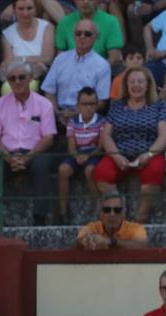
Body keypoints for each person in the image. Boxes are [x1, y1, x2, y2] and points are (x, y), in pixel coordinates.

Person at [0, 61, 56, 226]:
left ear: (30, 79)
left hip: (35, 152)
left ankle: (40, 218)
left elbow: (48, 138)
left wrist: (27, 158)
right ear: (7, 81)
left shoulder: (44, 104)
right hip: (8, 154)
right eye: (12, 78)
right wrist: (10, 158)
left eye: (21, 77)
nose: (17, 82)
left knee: (41, 166)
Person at [95, 65, 166, 223]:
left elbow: (164, 135)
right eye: (132, 82)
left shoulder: (159, 105)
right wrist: (116, 157)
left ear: (148, 84)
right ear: (126, 85)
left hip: (149, 153)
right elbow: (106, 136)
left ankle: (139, 218)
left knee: (155, 171)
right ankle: (118, 216)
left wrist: (149, 154)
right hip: (119, 153)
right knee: (102, 173)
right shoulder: (116, 105)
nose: (136, 85)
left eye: (140, 81)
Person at [41, 18, 111, 125]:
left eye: (87, 34)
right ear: (74, 36)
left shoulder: (102, 65)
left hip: (85, 117)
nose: (82, 37)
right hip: (58, 115)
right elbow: (49, 90)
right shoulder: (60, 59)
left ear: (95, 37)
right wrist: (55, 113)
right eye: (78, 33)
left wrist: (77, 114)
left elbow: (101, 101)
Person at [56, 86, 103, 225]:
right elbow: (71, 146)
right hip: (77, 153)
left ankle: (98, 208)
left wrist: (88, 157)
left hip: (94, 153)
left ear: (96, 105)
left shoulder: (102, 121)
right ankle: (62, 212)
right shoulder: (72, 122)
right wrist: (77, 156)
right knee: (63, 170)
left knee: (90, 171)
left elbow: (101, 146)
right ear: (78, 105)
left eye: (92, 104)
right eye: (84, 104)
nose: (88, 108)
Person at [54, 0, 123, 68]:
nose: (86, 1)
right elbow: (60, 58)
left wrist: (92, 71)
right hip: (71, 71)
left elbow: (115, 59)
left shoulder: (111, 22)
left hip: (100, 72)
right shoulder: (64, 22)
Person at [73, 189, 148, 249]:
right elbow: (74, 246)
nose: (112, 214)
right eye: (107, 210)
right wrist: (85, 241)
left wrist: (110, 241)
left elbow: (143, 245)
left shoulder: (135, 228)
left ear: (123, 214)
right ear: (100, 214)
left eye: (117, 210)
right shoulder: (92, 227)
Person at [0, 0, 54, 83]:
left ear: (35, 9)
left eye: (29, 8)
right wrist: (34, 60)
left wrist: (20, 59)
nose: (25, 13)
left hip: (41, 76)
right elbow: (8, 63)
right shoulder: (7, 33)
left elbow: (47, 58)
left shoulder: (47, 27)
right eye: (21, 9)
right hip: (17, 76)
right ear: (14, 11)